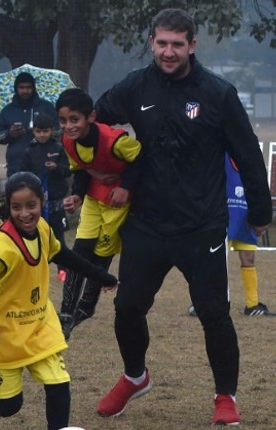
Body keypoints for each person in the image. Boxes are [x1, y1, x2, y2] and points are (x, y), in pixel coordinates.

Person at [93, 8, 272, 425]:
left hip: (202, 225)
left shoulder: (218, 93)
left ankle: (225, 396)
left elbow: (247, 154)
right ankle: (135, 377)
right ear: (152, 43)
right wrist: (94, 165)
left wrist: (261, 213)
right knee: (127, 307)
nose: (168, 52)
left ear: (192, 45)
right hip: (146, 222)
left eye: (177, 44)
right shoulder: (135, 86)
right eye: (161, 43)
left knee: (214, 313)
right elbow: (95, 123)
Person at [0, 172, 118, 430]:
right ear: (8, 207)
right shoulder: (1, 247)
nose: (25, 214)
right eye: (16, 207)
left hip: (37, 325)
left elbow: (64, 255)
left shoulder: (43, 229)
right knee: (8, 405)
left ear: (42, 202)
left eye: (31, 205)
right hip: (3, 333)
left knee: (58, 382)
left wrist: (101, 276)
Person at [55, 88, 142, 340]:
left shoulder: (115, 140)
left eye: (74, 119)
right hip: (93, 198)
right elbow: (81, 170)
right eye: (63, 121)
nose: (69, 126)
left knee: (101, 255)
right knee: (79, 250)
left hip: (117, 202)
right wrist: (77, 196)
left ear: (91, 117)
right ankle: (66, 311)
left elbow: (141, 160)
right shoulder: (67, 141)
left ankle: (86, 306)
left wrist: (125, 187)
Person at [189, 155, 274, 317]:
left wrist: (261, 214)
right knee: (216, 260)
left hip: (246, 217)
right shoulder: (221, 155)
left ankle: (252, 304)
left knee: (249, 258)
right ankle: (205, 302)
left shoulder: (251, 159)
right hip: (222, 215)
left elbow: (259, 187)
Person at [20, 113, 71, 281]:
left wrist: (56, 167)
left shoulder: (58, 148)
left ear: (52, 131)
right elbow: (23, 174)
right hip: (37, 203)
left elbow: (67, 170)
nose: (42, 134)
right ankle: (33, 269)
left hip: (56, 202)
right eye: (38, 131)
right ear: (34, 131)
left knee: (58, 238)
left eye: (45, 131)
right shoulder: (29, 151)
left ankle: (63, 269)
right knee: (34, 236)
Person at [0, 72, 59, 178]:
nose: (25, 91)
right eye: (21, 87)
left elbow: (59, 130)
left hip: (44, 163)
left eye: (28, 87)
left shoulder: (46, 107)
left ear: (34, 88)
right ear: (16, 88)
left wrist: (42, 132)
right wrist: (9, 134)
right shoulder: (8, 110)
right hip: (16, 164)